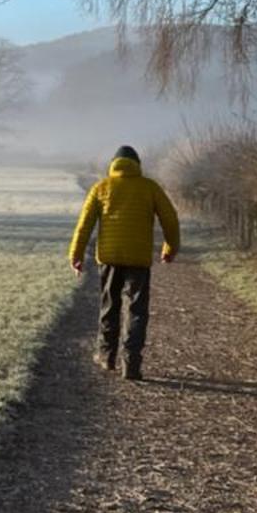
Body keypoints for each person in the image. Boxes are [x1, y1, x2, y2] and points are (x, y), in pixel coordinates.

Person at [68, 146, 181, 381]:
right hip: (138, 259)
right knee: (137, 310)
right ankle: (131, 364)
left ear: (113, 164)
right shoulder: (150, 187)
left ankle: (107, 355)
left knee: (110, 305)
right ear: (137, 164)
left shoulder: (101, 187)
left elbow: (84, 224)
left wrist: (76, 255)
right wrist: (170, 248)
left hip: (109, 258)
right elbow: (170, 218)